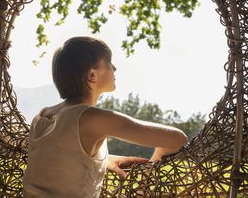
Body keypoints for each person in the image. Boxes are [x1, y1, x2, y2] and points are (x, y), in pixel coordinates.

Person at [23, 36, 188, 197]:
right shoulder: (92, 118)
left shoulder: (42, 116)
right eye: (109, 63)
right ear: (92, 75)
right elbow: (177, 139)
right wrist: (151, 168)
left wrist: (103, 161)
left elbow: (57, 160)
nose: (114, 68)